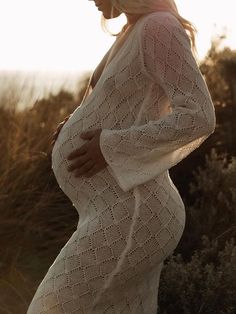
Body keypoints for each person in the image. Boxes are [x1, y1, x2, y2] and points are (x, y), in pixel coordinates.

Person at [27, 0, 216, 313]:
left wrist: (110, 145)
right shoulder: (134, 31)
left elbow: (199, 116)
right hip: (116, 208)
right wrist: (76, 122)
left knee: (51, 307)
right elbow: (125, 107)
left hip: (134, 211)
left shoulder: (159, 26)